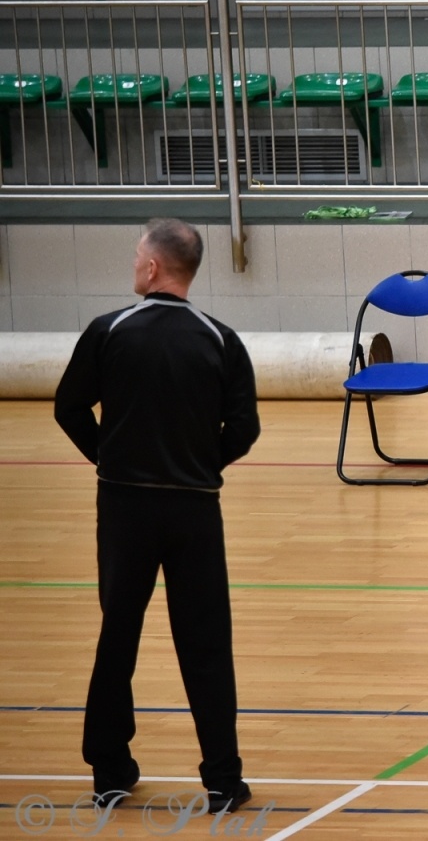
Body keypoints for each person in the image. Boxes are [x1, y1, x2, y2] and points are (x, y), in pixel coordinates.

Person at [54, 219, 260, 814]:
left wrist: (108, 457)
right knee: (206, 645)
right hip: (195, 508)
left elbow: (69, 407)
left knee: (117, 636)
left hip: (123, 507)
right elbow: (244, 429)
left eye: (136, 256)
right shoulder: (221, 339)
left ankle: (109, 773)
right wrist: (202, 465)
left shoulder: (108, 329)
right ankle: (223, 780)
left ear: (151, 269)